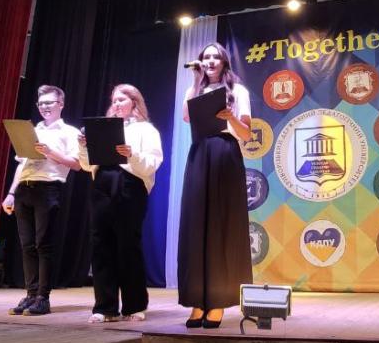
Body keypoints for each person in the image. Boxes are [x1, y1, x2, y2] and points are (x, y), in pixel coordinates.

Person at [178, 43, 253, 328]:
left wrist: (230, 116)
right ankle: (197, 300)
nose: (210, 61)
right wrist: (195, 82)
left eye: (215, 57)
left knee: (221, 226)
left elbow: (246, 134)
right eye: (205, 57)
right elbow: (186, 117)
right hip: (199, 153)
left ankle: (219, 300)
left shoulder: (238, 91)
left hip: (224, 152)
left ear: (224, 62)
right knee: (196, 225)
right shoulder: (194, 90)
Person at [78, 84, 163, 323]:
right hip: (102, 183)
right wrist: (83, 146)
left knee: (127, 245)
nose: (116, 104)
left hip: (129, 184)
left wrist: (131, 154)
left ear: (134, 102)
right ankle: (105, 307)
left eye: (121, 100)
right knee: (101, 244)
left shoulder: (146, 129)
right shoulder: (103, 128)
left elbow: (152, 163)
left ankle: (134, 305)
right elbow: (86, 164)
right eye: (114, 100)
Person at [1, 85, 81, 316]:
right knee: (26, 245)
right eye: (41, 103)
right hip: (24, 188)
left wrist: (49, 152)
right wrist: (11, 193)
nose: (44, 107)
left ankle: (43, 298)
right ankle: (30, 294)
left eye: (49, 102)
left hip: (48, 188)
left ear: (61, 104)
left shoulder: (70, 132)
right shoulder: (33, 130)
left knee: (43, 244)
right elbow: (22, 164)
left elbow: (77, 164)